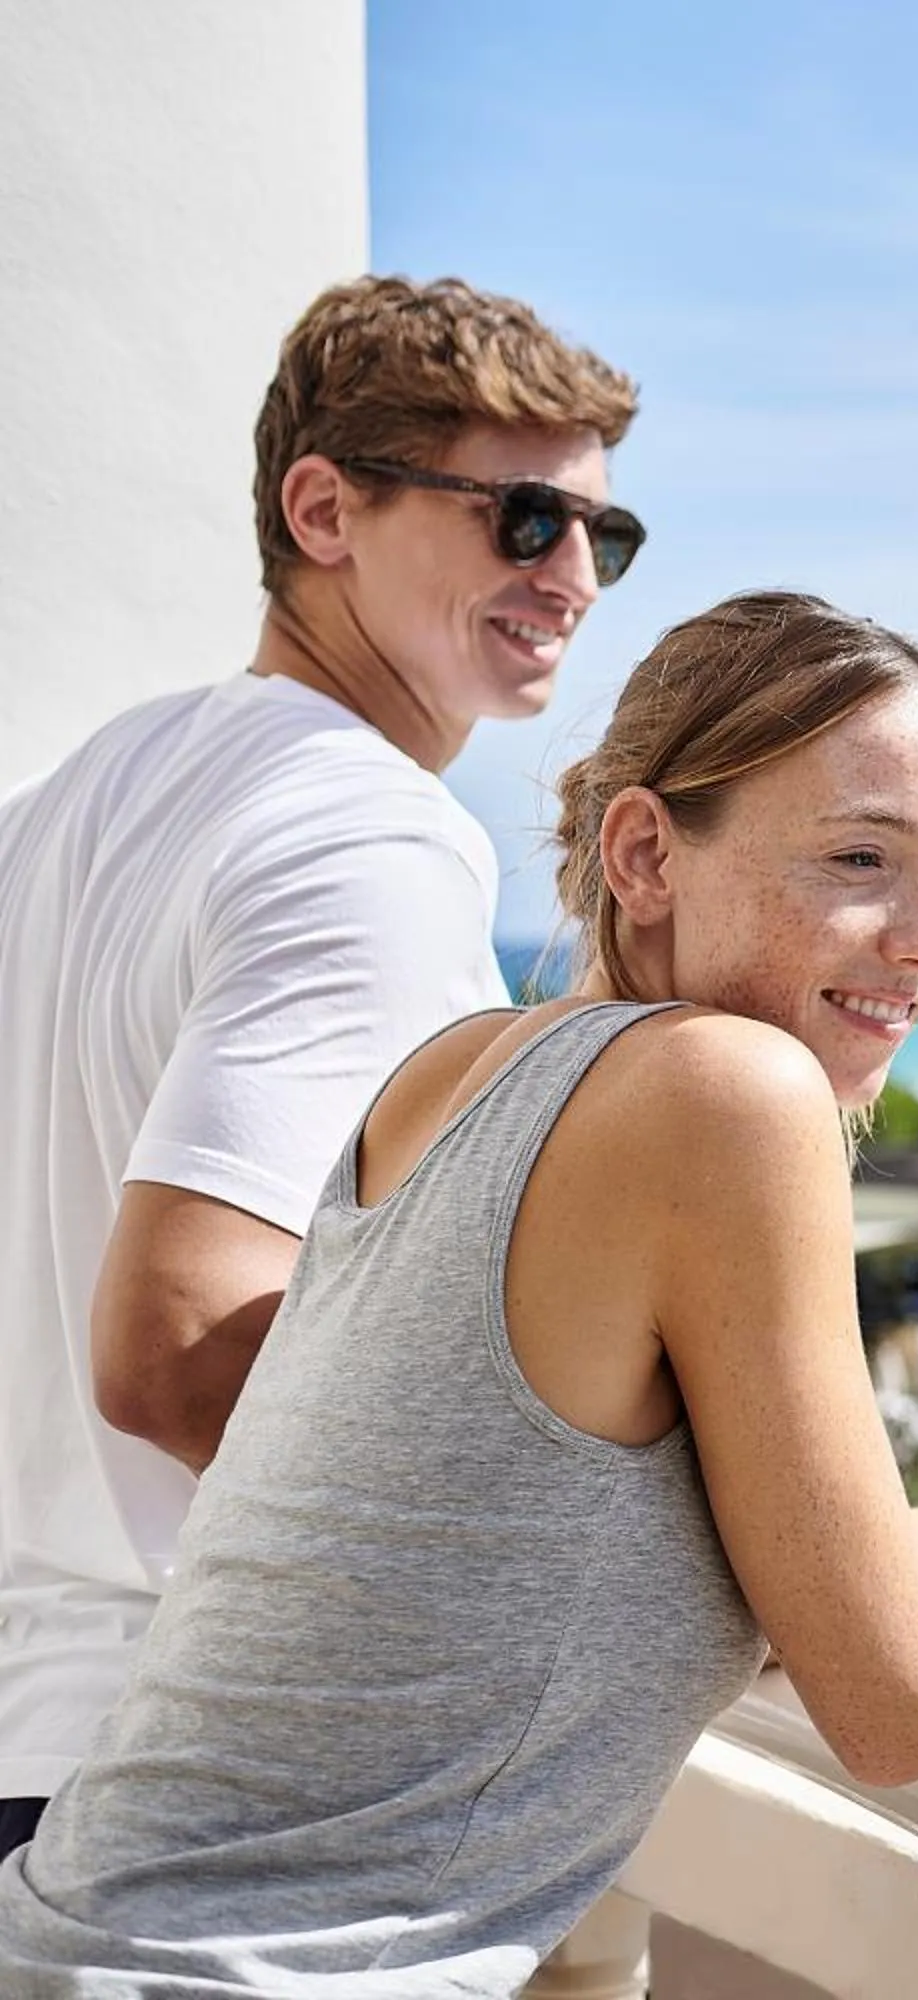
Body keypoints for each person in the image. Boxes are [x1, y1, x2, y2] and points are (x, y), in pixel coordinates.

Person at [0, 591, 918, 1995]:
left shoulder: (459, 1070)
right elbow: (901, 1702)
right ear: (643, 851)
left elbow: (772, 1564)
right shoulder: (727, 1095)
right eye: (859, 860)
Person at [0, 276, 642, 1862]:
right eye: (522, 519)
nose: (572, 576)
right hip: (162, 1783)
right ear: (324, 509)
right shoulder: (368, 833)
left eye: (603, 538)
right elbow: (177, 1348)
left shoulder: (65, 804)